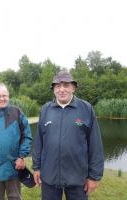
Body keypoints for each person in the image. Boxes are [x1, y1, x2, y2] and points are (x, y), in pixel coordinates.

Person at [32, 70, 104, 200]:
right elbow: (38, 142)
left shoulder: (86, 109)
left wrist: (94, 176)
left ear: (73, 88)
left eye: (66, 85)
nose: (61, 89)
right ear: (53, 89)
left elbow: (95, 145)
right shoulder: (45, 109)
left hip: (78, 178)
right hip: (49, 177)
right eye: (58, 86)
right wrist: (36, 167)